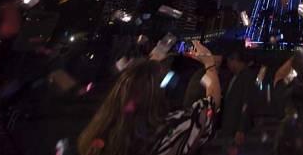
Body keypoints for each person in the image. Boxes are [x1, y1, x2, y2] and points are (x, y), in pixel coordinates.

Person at [77, 41, 220, 155]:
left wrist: (147, 68)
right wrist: (209, 63)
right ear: (156, 94)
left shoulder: (100, 132)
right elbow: (211, 106)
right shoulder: (169, 131)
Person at [220, 46, 257, 152]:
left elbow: (247, 103)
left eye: (229, 62)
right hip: (230, 128)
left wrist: (241, 129)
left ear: (235, 61)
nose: (228, 65)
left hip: (235, 129)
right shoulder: (234, 77)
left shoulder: (246, 77)